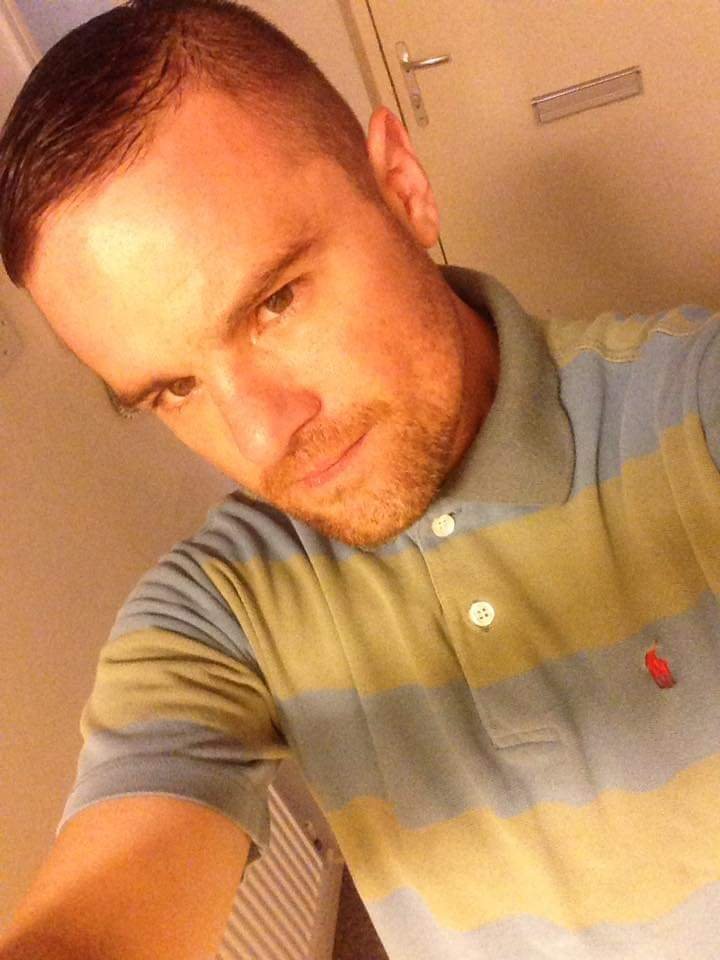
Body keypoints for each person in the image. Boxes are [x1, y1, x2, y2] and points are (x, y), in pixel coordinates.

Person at [1, 1, 719, 958]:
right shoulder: (219, 610)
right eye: (174, 388)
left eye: (275, 301)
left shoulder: (691, 408)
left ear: (403, 188)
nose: (262, 435)